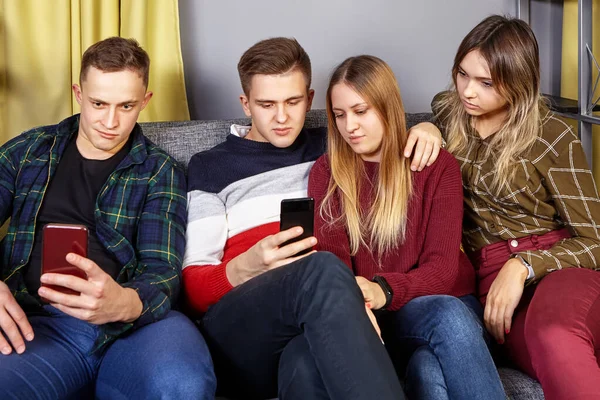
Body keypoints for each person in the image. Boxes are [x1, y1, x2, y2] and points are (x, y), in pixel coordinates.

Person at [182, 37, 440, 400]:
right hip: (242, 329)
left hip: (318, 319)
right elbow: (192, 288)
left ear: (310, 98)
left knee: (304, 366)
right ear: (245, 104)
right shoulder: (210, 167)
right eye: (266, 104)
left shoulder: (336, 144)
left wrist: (429, 130)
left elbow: (386, 134)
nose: (282, 117)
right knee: (320, 269)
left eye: (293, 101)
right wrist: (246, 265)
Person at [0, 37, 216, 399]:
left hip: (136, 328)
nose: (111, 122)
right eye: (99, 103)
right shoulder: (27, 152)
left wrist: (126, 302)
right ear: (78, 93)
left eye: (127, 106)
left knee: (182, 385)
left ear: (145, 101)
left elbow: (162, 269)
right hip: (39, 328)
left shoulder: (159, 170)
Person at [308, 55, 505, 400]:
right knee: (426, 369)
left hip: (446, 306)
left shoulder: (435, 165)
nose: (349, 126)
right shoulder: (327, 172)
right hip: (374, 317)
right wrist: (360, 300)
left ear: (387, 106)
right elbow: (333, 265)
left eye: (361, 111)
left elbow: (443, 270)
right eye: (339, 115)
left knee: (433, 356)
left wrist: (383, 288)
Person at [432, 15, 600, 400]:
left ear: (518, 82)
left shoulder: (551, 135)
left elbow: (596, 238)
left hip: (558, 267)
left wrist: (522, 265)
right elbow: (438, 111)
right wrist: (424, 130)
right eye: (462, 74)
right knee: (549, 353)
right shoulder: (448, 112)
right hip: (493, 291)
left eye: (487, 83)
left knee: (555, 335)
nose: (468, 92)